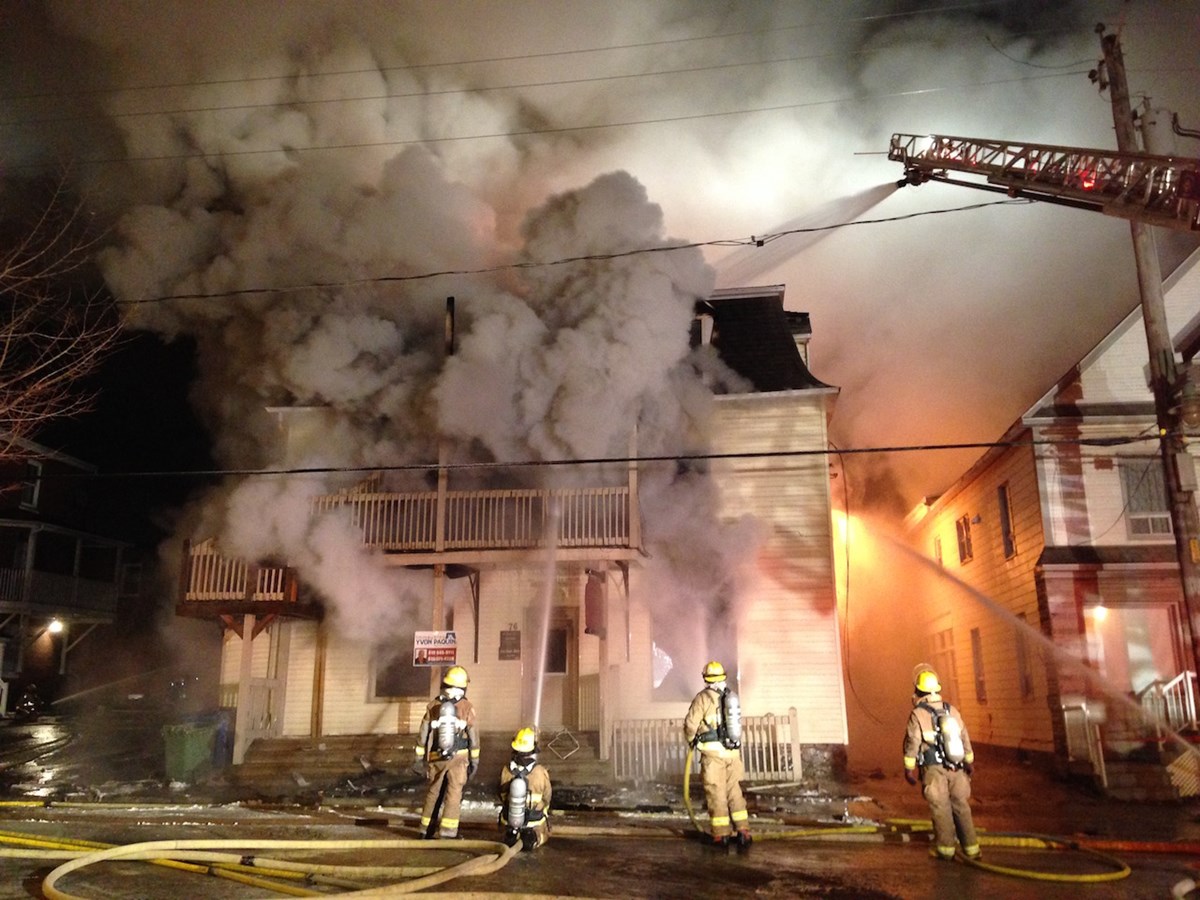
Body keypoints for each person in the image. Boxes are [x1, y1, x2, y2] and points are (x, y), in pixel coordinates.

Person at [902, 666, 981, 861]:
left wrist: (909, 769)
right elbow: (964, 737)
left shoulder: (918, 714)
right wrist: (969, 762)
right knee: (961, 806)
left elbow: (912, 742)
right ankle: (972, 850)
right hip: (958, 767)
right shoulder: (951, 709)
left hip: (934, 769)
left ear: (918, 691)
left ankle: (945, 850)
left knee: (941, 808)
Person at [683, 660, 751, 848]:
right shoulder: (731, 697)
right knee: (734, 792)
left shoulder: (703, 698)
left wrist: (691, 740)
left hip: (713, 757)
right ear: (723, 677)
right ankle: (744, 831)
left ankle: (721, 835)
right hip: (733, 755)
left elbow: (690, 725)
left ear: (706, 678)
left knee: (717, 794)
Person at [414, 665, 480, 838]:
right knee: (453, 793)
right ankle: (447, 833)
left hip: (436, 756)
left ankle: (424, 830)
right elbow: (473, 737)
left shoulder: (433, 706)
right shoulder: (466, 707)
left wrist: (418, 759)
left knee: (433, 792)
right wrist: (475, 761)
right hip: (459, 758)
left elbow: (422, 735)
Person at [497, 726, 553, 850]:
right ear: (533, 750)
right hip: (534, 822)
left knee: (508, 838)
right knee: (543, 834)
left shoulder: (505, 771)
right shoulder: (540, 772)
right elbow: (547, 797)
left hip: (509, 821)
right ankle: (534, 839)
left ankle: (511, 836)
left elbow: (501, 795)